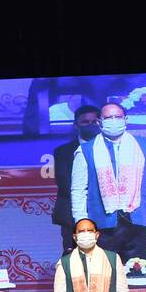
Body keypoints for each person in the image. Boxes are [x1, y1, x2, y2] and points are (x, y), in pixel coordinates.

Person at [70, 102, 146, 260]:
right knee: (105, 276)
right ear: (100, 122)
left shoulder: (144, 146)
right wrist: (81, 223)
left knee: (139, 272)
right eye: (108, 117)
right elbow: (78, 190)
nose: (113, 120)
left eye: (118, 117)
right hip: (102, 224)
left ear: (126, 120)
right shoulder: (85, 150)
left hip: (138, 221)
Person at [52, 105, 101, 257]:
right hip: (71, 215)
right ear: (76, 125)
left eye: (95, 121)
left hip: (105, 214)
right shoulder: (63, 151)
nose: (91, 125)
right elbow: (65, 183)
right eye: (86, 122)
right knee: (74, 261)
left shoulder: (110, 148)